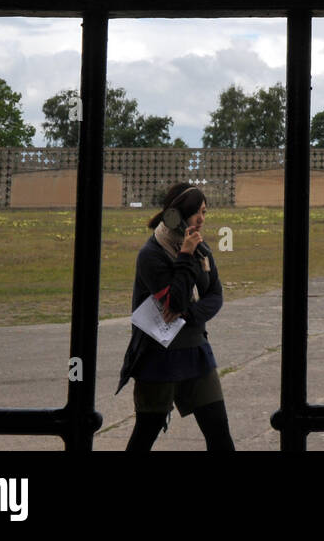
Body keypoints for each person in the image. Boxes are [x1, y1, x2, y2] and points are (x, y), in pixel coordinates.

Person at [117, 183, 235, 451]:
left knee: (219, 432)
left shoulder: (200, 250)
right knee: (146, 432)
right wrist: (184, 255)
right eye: (196, 213)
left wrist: (189, 314)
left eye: (205, 212)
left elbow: (215, 295)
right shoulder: (151, 255)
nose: (202, 219)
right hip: (157, 357)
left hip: (195, 350)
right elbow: (175, 300)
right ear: (175, 216)